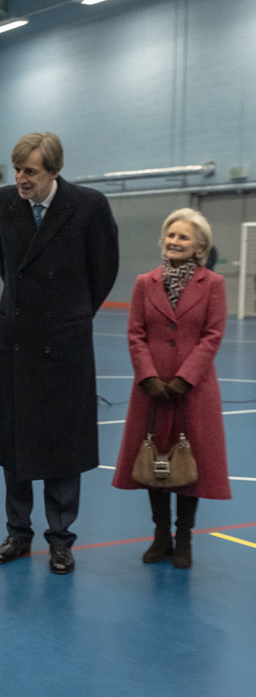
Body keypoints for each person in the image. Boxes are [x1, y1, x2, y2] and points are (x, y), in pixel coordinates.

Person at [0, 132, 119, 575]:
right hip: (16, 339)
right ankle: (17, 533)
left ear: (55, 171)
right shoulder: (2, 202)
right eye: (17, 170)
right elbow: (4, 263)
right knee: (15, 443)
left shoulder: (89, 206)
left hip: (65, 342)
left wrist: (71, 315)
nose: (21, 179)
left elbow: (103, 270)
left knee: (64, 444)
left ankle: (61, 540)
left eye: (31, 172)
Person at [111, 209, 230, 568]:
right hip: (151, 388)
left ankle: (185, 537)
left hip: (192, 389)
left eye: (182, 237)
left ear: (200, 246)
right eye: (170, 235)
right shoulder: (145, 283)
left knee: (189, 461)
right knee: (154, 460)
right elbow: (135, 334)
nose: (174, 242)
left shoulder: (213, 284)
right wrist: (148, 376)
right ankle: (160, 534)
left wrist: (184, 378)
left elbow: (212, 336)